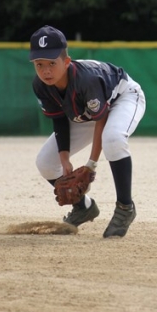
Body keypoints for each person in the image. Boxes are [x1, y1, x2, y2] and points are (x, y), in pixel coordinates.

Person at [29, 25, 146, 238]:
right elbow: (59, 120)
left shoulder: (86, 80)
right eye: (39, 64)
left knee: (113, 139)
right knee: (45, 162)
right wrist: (65, 160)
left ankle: (125, 208)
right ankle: (83, 207)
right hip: (87, 112)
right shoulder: (41, 85)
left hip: (123, 98)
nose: (46, 71)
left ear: (66, 61)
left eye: (52, 63)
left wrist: (91, 165)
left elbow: (101, 119)